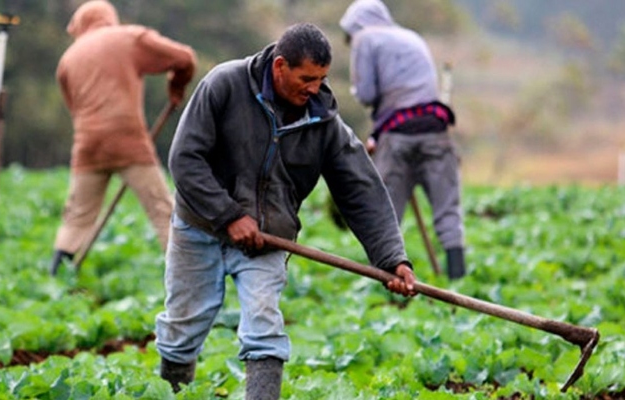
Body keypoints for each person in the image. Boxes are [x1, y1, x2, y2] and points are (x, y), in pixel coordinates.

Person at [155, 23, 416, 399]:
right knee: (182, 327)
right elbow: (184, 159)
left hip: (268, 237)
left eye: (322, 78)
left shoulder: (323, 120)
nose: (315, 88)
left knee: (264, 326)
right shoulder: (224, 85)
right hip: (199, 226)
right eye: (307, 78)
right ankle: (173, 391)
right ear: (280, 67)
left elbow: (362, 190)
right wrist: (228, 215)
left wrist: (392, 259)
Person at [49, 0, 196, 275]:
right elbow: (185, 58)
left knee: (77, 216)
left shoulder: (67, 59)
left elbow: (74, 109)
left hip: (87, 145)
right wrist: (176, 86)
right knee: (162, 210)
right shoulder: (128, 38)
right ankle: (186, 278)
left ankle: (56, 277)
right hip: (128, 142)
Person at [339, 0, 467, 279]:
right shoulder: (412, 37)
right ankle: (460, 283)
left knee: (388, 216)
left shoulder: (364, 38)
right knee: (448, 212)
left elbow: (366, 94)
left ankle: (393, 293)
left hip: (396, 135)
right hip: (436, 130)